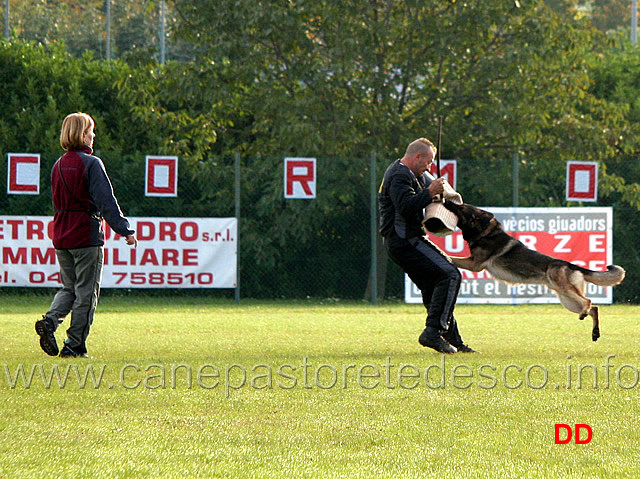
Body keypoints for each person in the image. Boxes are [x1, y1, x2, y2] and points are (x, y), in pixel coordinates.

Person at [35, 112, 138, 358]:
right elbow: (106, 202)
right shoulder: (92, 164)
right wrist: (125, 229)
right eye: (91, 131)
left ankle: (50, 321)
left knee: (68, 287)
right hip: (86, 236)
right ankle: (74, 346)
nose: (93, 135)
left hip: (61, 235)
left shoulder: (58, 164)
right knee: (86, 293)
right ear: (82, 135)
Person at [378, 138, 477, 353]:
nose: (430, 166)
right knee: (450, 274)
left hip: (404, 241)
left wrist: (445, 197)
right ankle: (432, 332)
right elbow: (404, 207)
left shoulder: (414, 174)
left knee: (434, 287)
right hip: (404, 240)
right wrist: (429, 192)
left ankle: (455, 343)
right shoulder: (399, 175)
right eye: (428, 161)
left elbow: (434, 190)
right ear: (417, 157)